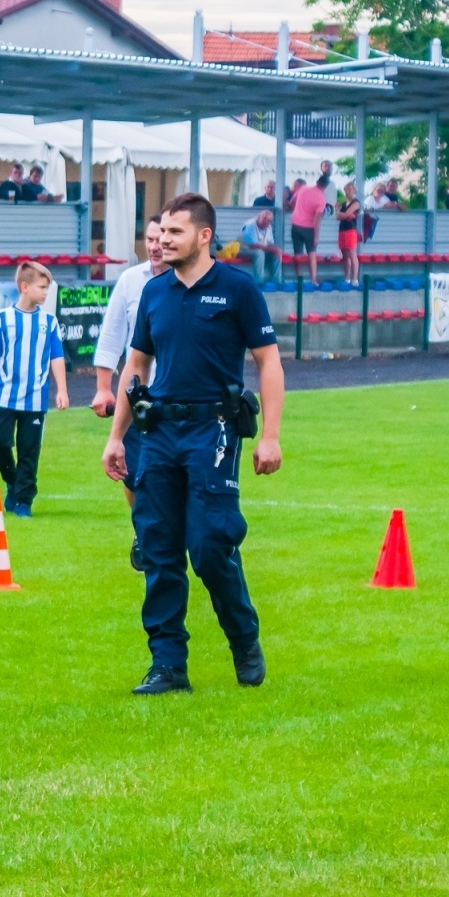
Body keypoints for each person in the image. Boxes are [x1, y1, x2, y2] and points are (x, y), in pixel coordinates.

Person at [101, 192, 284, 696]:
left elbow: (269, 362)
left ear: (204, 236)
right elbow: (134, 367)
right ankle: (167, 665)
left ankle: (243, 637)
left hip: (214, 433)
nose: (161, 241)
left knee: (208, 545)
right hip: (156, 432)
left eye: (173, 233)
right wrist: (117, 437)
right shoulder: (155, 293)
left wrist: (270, 436)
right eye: (159, 234)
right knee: (158, 548)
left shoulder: (237, 289)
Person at [93, 217, 170, 570]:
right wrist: (102, 389)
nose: (154, 246)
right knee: (134, 473)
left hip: (177, 397)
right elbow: (111, 337)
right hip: (137, 397)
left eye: (161, 239)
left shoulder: (188, 283)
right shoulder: (130, 280)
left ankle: (164, 532)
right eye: (149, 239)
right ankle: (142, 529)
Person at [0, 260, 68, 518]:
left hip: (35, 400)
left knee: (29, 451)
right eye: (42, 287)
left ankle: (23, 503)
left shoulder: (49, 322)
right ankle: (13, 480)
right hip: (6, 396)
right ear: (24, 287)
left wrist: (61, 389)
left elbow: (57, 357)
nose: (45, 293)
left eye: (47, 288)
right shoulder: (2, 319)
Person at [289, 173, 327, 285]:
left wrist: (296, 211)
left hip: (295, 224)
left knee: (297, 253)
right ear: (325, 186)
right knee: (312, 254)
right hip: (308, 228)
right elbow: (317, 219)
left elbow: (292, 202)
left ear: (317, 182)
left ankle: (299, 277)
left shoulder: (303, 189)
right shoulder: (321, 199)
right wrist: (316, 236)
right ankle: (313, 279)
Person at [238, 209, 282, 284]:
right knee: (259, 253)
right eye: (264, 218)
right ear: (259, 217)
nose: (266, 222)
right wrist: (271, 249)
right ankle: (259, 281)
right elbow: (253, 245)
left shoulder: (268, 227)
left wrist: (276, 250)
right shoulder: (251, 225)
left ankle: (276, 281)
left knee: (277, 253)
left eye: (269, 220)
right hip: (244, 250)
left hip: (259, 249)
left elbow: (270, 243)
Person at [335, 181, 361, 285]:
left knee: (352, 253)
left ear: (354, 191)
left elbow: (346, 214)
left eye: (349, 189)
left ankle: (355, 278)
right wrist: (342, 214)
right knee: (344, 255)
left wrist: (341, 213)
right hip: (342, 229)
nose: (347, 191)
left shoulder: (356, 202)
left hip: (350, 230)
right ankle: (347, 277)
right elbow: (338, 217)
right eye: (345, 189)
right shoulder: (344, 203)